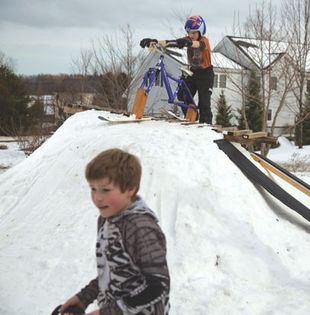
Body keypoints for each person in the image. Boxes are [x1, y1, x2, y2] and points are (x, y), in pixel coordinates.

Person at [58, 148, 170, 315]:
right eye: (93, 188)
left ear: (130, 189)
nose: (97, 197)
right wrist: (84, 297)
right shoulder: (107, 220)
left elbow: (157, 286)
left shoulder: (141, 228)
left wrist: (108, 312)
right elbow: (113, 273)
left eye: (105, 190)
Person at [140, 15, 214, 124]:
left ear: (200, 32)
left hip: (205, 75)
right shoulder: (188, 39)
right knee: (182, 95)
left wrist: (187, 42)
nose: (191, 35)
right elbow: (172, 42)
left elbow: (196, 44)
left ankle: (206, 125)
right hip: (193, 73)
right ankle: (192, 116)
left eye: (194, 33)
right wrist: (155, 42)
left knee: (204, 103)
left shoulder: (204, 41)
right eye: (189, 32)